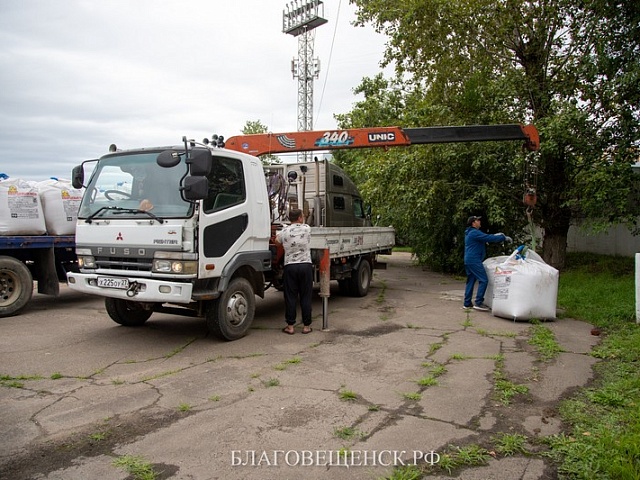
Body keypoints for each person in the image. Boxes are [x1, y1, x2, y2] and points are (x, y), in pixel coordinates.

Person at [275, 208, 313, 334]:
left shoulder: (284, 231)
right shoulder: (307, 228)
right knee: (305, 296)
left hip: (290, 266)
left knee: (290, 296)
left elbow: (277, 242)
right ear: (300, 218)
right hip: (305, 265)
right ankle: (306, 326)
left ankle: (290, 326)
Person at [463, 216, 512, 311]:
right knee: (484, 280)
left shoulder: (470, 233)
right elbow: (488, 238)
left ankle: (467, 303)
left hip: (469, 259)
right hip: (474, 260)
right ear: (473, 223)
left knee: (471, 280)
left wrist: (496, 235)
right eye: (477, 220)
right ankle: (478, 302)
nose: (479, 221)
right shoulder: (474, 233)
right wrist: (503, 237)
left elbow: (486, 237)